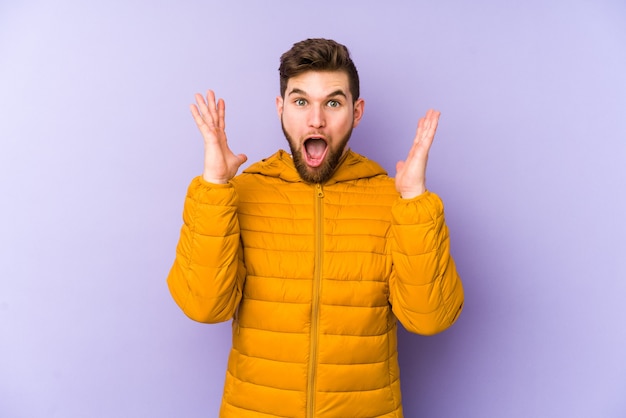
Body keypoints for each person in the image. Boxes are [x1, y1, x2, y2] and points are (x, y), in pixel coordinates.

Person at [167, 38, 464, 418]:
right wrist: (213, 186)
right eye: (301, 101)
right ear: (281, 108)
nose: (316, 120)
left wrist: (415, 201)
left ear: (356, 112)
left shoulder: (394, 201)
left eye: (333, 103)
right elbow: (203, 307)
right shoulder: (239, 194)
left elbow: (430, 318)